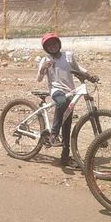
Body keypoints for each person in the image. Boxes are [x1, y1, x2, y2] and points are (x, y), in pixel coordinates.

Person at [37, 32, 97, 167]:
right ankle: (53, 134)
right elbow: (39, 79)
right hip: (56, 90)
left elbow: (78, 68)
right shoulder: (45, 60)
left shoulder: (68, 56)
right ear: (46, 48)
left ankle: (64, 157)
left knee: (67, 126)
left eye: (54, 43)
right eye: (49, 45)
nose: (52, 46)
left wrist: (89, 76)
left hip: (70, 92)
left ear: (59, 43)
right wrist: (43, 69)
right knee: (61, 102)